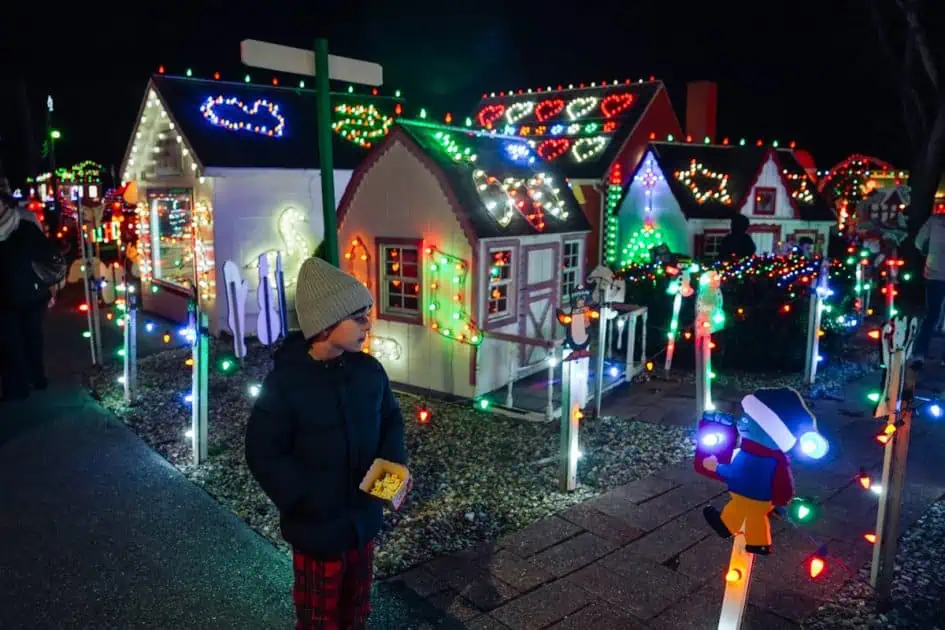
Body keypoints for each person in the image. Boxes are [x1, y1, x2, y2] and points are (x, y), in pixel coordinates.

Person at [245, 256, 408, 630]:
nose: (368, 325)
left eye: (367, 314)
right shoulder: (286, 385)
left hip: (363, 520)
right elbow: (263, 452)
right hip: (317, 530)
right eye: (358, 317)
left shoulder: (368, 372)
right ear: (324, 324)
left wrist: (392, 466)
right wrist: (304, 499)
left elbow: (390, 418)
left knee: (357, 606)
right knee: (319, 616)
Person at [0, 182, 55, 402]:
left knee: (26, 338)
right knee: (14, 340)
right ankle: (23, 382)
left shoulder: (25, 221)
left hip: (24, 292)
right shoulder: (26, 220)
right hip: (12, 294)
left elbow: (44, 254)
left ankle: (30, 378)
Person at [913, 213, 945, 365]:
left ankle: (919, 353)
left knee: (931, 314)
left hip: (934, 272)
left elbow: (919, 242)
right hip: (935, 272)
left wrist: (930, 252)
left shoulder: (934, 221)